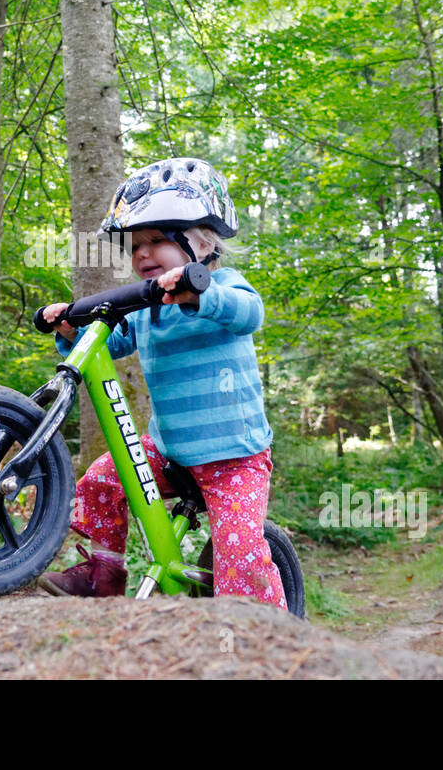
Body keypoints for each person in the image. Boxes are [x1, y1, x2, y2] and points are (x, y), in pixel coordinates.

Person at [37, 158, 286, 609]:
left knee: (240, 555)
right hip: (169, 453)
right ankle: (102, 573)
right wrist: (72, 330)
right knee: (101, 480)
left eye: (156, 241)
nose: (143, 255)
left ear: (202, 241)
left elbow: (249, 313)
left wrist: (200, 292)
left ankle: (261, 636)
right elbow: (116, 342)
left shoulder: (226, 285)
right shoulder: (148, 307)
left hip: (235, 459)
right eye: (134, 247)